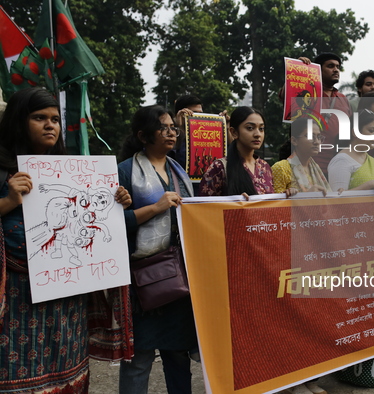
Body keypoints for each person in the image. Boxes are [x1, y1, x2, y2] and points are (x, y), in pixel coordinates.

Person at [0, 87, 132, 393]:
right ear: (19, 121)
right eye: (39, 118)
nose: (50, 125)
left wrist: (116, 201)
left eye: (55, 119)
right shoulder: (4, 169)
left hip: (65, 299)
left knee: (67, 374)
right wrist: (8, 200)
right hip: (17, 301)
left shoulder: (70, 171)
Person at [118, 105, 197, 393]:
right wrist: (156, 207)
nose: (170, 133)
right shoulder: (125, 172)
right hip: (142, 282)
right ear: (143, 135)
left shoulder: (180, 170)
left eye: (172, 128)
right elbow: (114, 224)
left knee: (177, 354)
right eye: (163, 128)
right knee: (138, 359)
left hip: (178, 278)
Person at [199, 107, 282, 197]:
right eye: (250, 128)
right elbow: (204, 206)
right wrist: (234, 203)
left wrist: (286, 196)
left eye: (261, 129)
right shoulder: (219, 168)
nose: (257, 134)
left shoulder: (265, 167)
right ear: (234, 132)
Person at [327, 109, 374, 192]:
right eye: (371, 131)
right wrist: (369, 185)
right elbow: (337, 198)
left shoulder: (371, 161)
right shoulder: (341, 160)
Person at [272, 117, 331, 194]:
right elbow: (275, 203)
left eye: (319, 137)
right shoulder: (281, 168)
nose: (317, 142)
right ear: (294, 140)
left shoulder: (315, 168)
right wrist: (306, 196)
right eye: (310, 136)